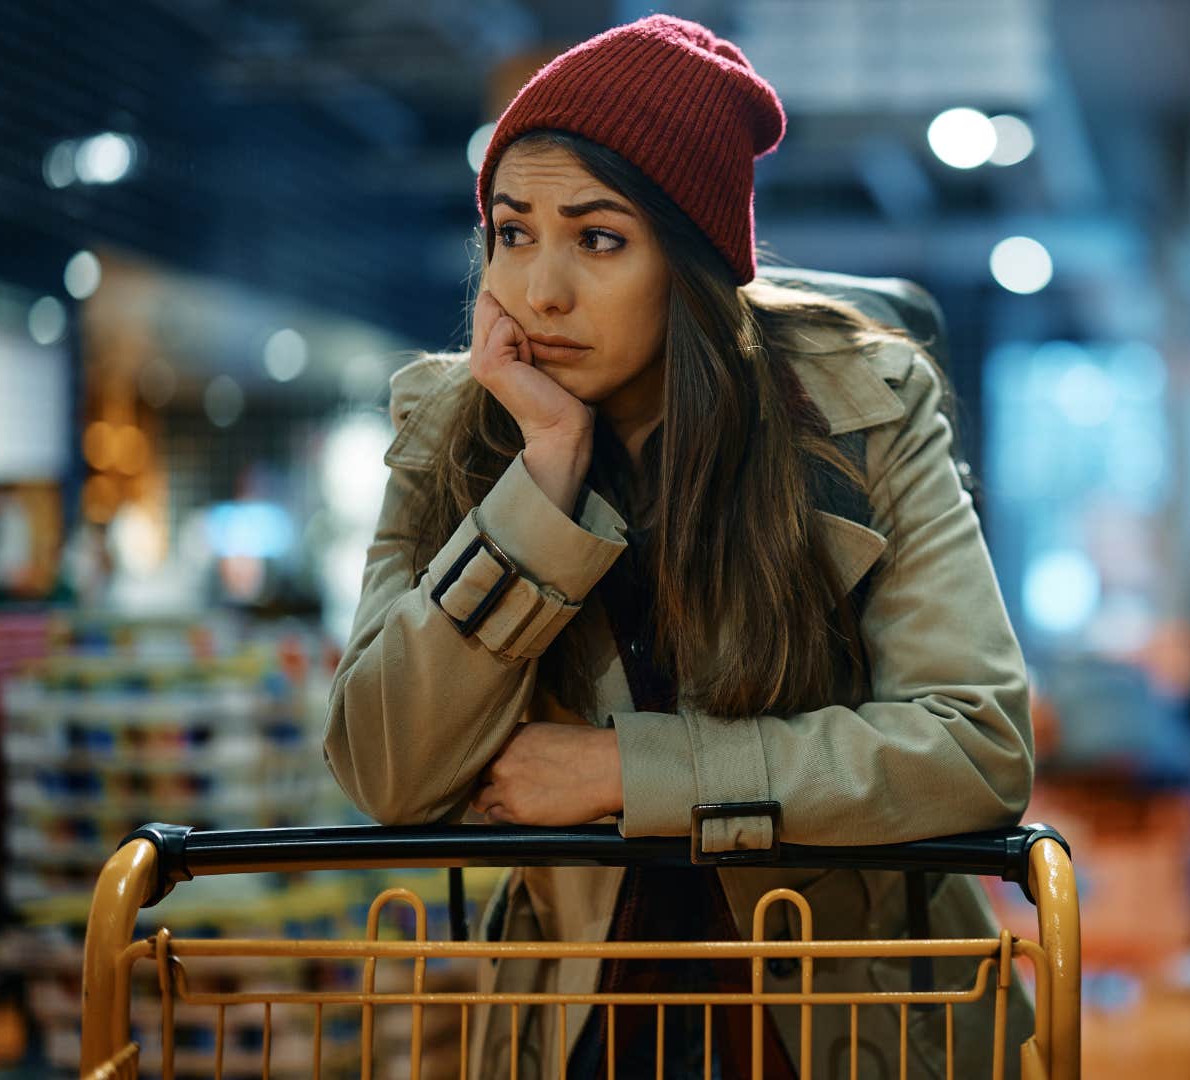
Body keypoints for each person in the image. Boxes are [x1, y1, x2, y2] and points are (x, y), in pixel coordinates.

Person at [322, 15, 1034, 1078]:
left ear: (691, 261)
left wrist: (622, 772)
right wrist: (542, 480)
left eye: (598, 239)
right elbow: (385, 767)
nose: (540, 291)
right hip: (577, 1030)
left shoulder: (857, 414)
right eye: (513, 234)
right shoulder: (454, 432)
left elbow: (976, 747)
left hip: (845, 1020)